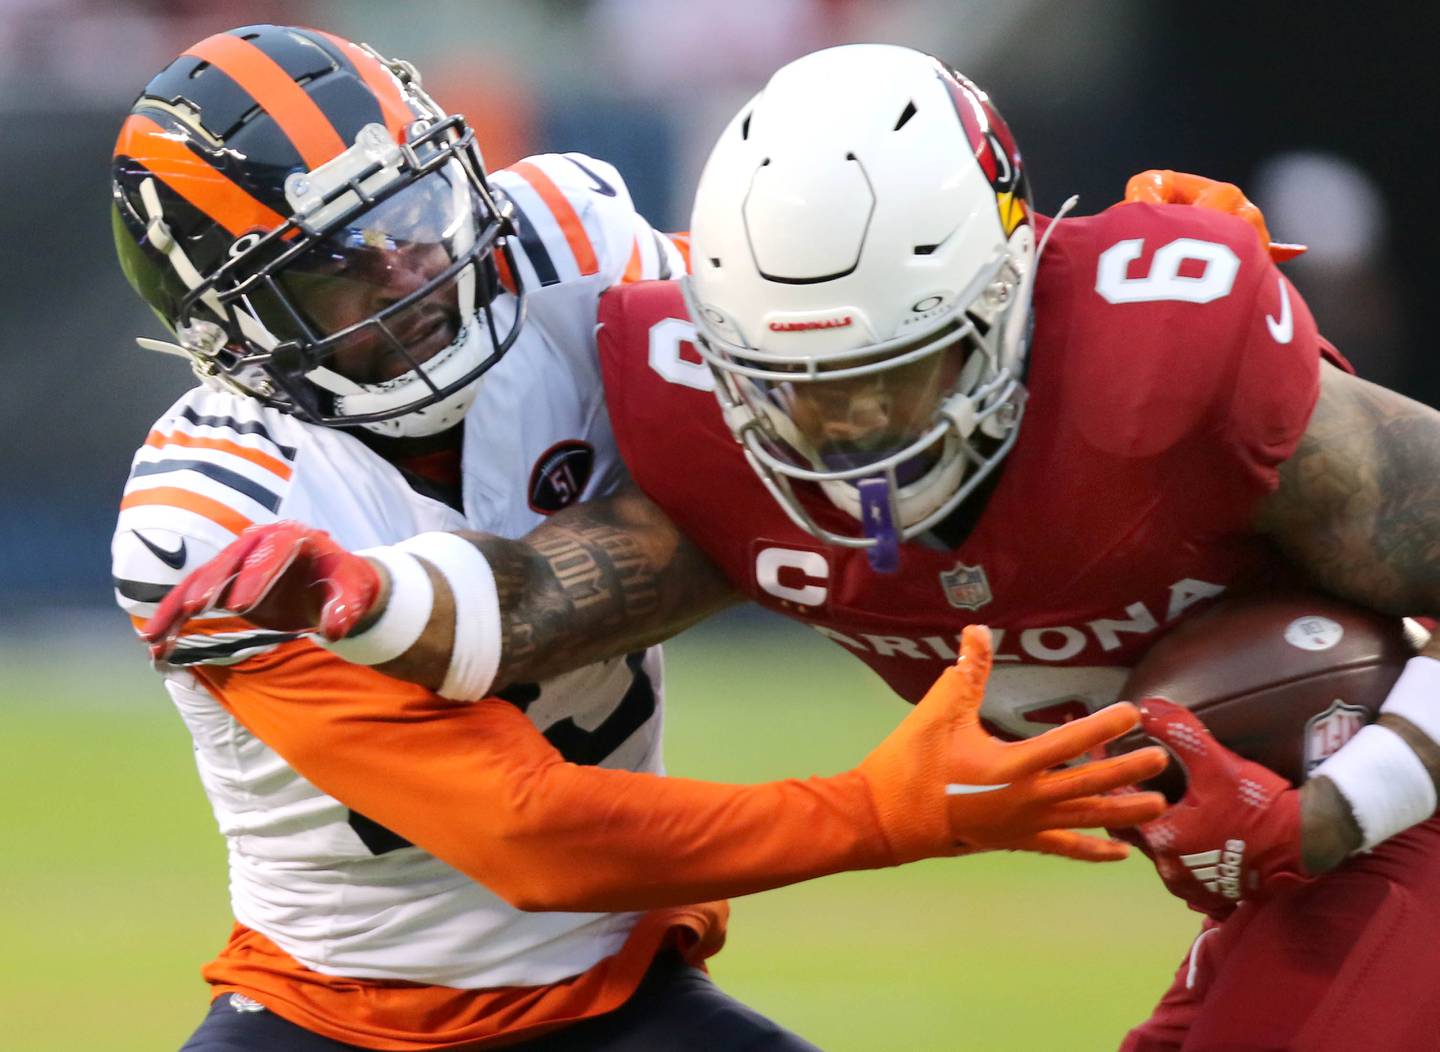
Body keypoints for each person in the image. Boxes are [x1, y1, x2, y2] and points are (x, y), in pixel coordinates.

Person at [149, 44, 1440, 1049]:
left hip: (1384, 813)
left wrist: (1347, 803)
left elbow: (833, 288)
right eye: (800, 389)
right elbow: (538, 652)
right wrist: (366, 596)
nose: (852, 429)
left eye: (901, 372)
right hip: (344, 1004)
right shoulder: (221, 515)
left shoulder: (1167, 357)